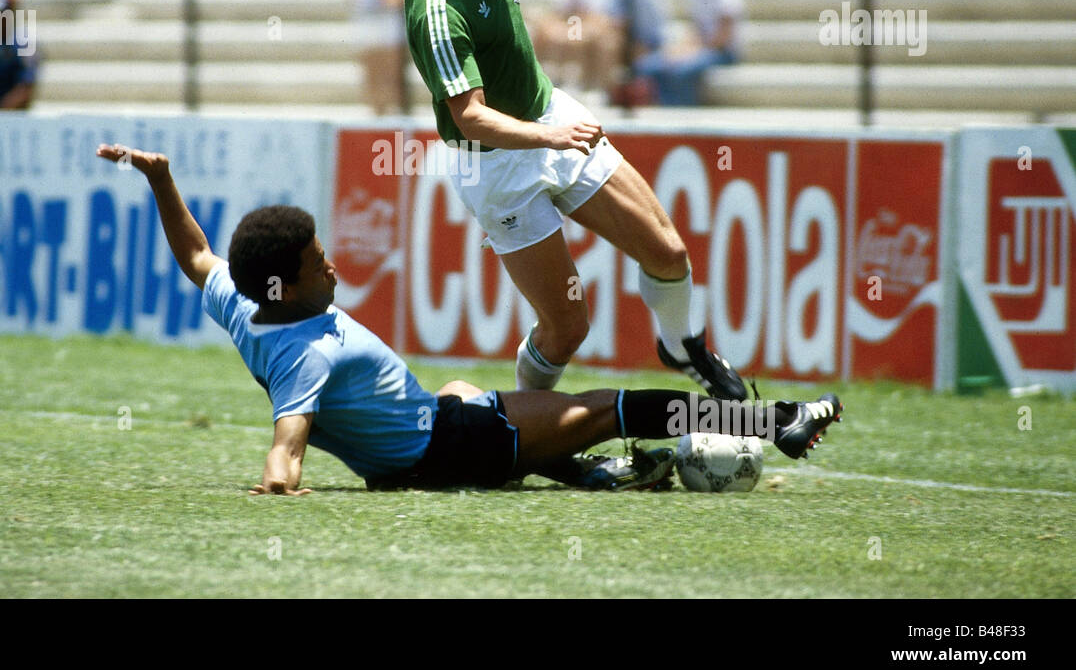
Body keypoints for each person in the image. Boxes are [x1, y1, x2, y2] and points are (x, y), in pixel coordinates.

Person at [95, 142, 844, 494]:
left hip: (419, 444)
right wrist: (276, 483)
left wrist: (162, 179)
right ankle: (776, 422)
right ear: (286, 287)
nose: (335, 267)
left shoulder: (244, 302)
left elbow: (196, 256)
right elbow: (288, 439)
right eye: (321, 263)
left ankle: (586, 478)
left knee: (458, 384)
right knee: (607, 407)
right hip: (451, 451)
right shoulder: (306, 351)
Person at [393, 0, 748, 400]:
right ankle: (524, 430)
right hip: (497, 166)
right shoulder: (436, 8)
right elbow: (471, 120)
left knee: (668, 253)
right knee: (567, 328)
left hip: (550, 119)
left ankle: (682, 345)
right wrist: (552, 137)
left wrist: (552, 131)